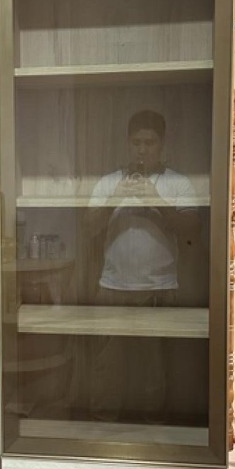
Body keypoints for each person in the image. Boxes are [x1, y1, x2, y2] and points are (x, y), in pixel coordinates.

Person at [87, 109, 200, 423]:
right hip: (112, 289)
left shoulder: (177, 183)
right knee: (107, 368)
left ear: (162, 144)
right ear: (127, 143)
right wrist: (114, 199)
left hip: (159, 291)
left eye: (149, 143)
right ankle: (103, 429)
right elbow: (88, 228)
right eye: (136, 142)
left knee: (153, 370)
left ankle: (153, 431)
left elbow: (193, 231)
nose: (142, 149)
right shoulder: (110, 182)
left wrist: (157, 201)